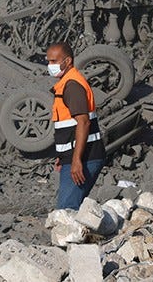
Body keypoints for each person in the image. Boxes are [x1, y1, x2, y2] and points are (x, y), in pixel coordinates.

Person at [46, 42, 106, 210]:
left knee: (66, 211)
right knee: (70, 209)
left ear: (68, 61)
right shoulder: (67, 83)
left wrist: (76, 160)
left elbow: (83, 122)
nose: (50, 66)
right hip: (74, 156)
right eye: (48, 61)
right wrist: (63, 156)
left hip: (85, 157)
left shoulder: (72, 86)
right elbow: (69, 126)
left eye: (54, 61)